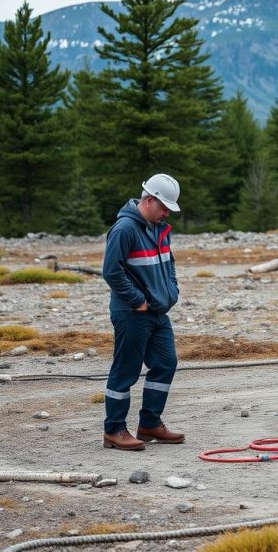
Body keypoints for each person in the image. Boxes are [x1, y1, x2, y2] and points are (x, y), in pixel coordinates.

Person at [100, 173, 185, 451]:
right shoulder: (124, 229)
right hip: (132, 313)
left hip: (158, 312)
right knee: (126, 370)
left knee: (165, 363)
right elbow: (112, 271)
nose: (165, 213)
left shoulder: (157, 228)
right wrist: (138, 301)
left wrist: (171, 290)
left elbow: (168, 263)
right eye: (163, 207)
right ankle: (114, 430)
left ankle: (149, 423)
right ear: (149, 200)